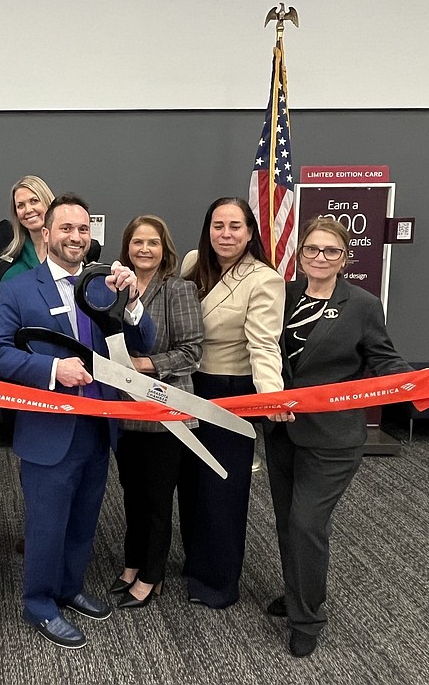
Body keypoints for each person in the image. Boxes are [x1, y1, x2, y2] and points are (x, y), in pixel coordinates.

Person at [262, 217, 429, 657]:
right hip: (283, 431)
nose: (320, 258)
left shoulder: (363, 305)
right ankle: (298, 593)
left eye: (331, 251)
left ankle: (308, 619)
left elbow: (384, 361)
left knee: (307, 524)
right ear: (301, 254)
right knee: (287, 522)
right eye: (312, 249)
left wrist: (426, 381)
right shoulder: (283, 294)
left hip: (334, 438)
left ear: (345, 257)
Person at [0, 194, 155, 649]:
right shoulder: (20, 288)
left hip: (98, 427)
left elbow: (143, 341)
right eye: (66, 229)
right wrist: (53, 372)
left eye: (83, 230)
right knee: (46, 523)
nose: (76, 237)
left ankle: (69, 587)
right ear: (46, 233)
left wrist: (132, 298)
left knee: (83, 518)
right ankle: (39, 603)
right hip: (48, 430)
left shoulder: (102, 285)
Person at [178, 196, 284, 609]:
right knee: (190, 484)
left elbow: (264, 345)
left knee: (222, 487)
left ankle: (218, 582)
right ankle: (194, 562)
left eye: (235, 226)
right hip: (187, 385)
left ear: (250, 232)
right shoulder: (192, 263)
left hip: (230, 392)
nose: (225, 234)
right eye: (218, 225)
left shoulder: (263, 279)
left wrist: (271, 397)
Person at [110, 215, 203, 609]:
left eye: (152, 242)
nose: (144, 249)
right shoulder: (115, 290)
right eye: (137, 242)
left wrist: (141, 364)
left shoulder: (178, 290)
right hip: (126, 413)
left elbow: (191, 352)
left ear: (165, 249)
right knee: (132, 496)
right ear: (126, 248)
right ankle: (132, 564)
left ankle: (152, 575)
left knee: (158, 499)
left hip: (168, 414)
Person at [0, 174, 102, 286]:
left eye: (34, 201)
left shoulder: (82, 250)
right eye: (20, 206)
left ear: (48, 202)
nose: (28, 210)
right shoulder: (13, 270)